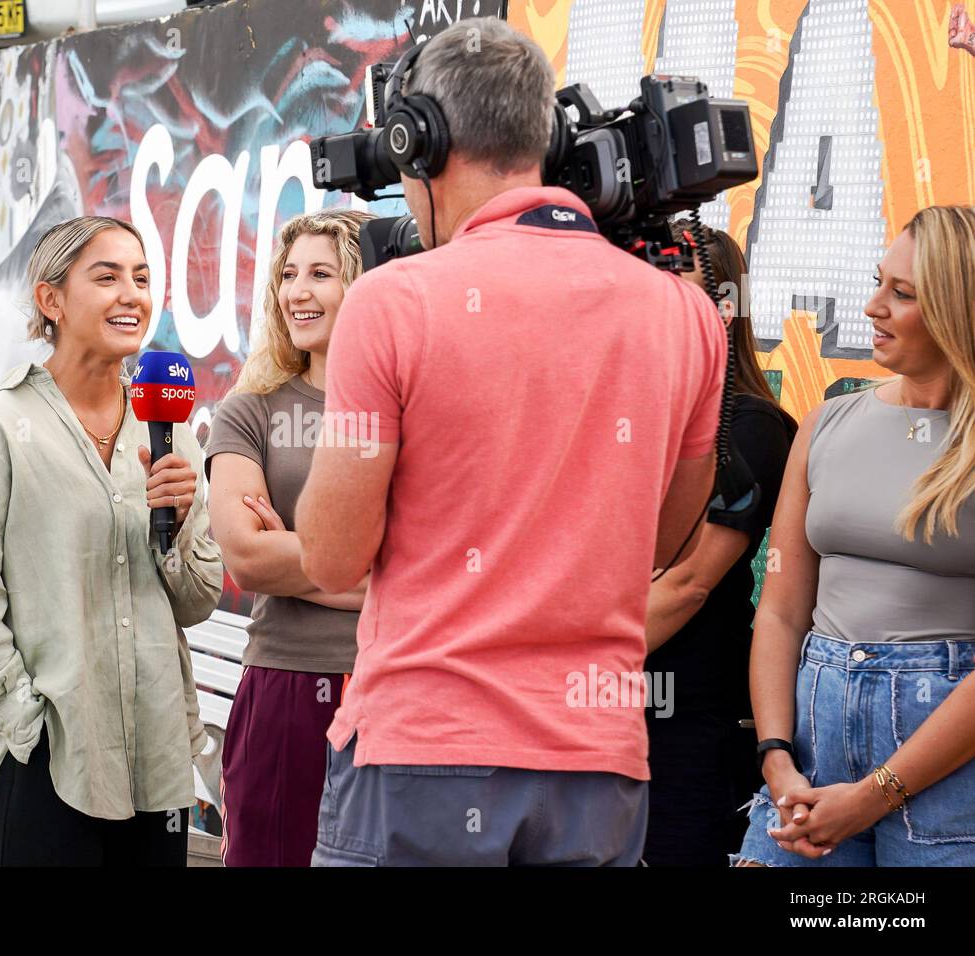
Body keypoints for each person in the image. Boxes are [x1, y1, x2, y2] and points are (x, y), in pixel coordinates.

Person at [295, 18, 729, 866]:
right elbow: (665, 539)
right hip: (596, 765)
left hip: (421, 752)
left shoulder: (392, 302)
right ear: (550, 135)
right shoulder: (684, 313)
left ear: (419, 140)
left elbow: (331, 554)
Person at [0, 216, 224, 866]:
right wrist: (30, 728)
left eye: (141, 277)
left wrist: (179, 521)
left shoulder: (168, 432)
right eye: (106, 277)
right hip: (41, 766)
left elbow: (196, 601)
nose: (131, 294)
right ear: (51, 300)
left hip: (154, 765)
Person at [735, 205, 975, 866]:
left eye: (902, 294)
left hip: (946, 768)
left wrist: (877, 793)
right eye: (878, 283)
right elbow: (781, 613)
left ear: (956, 309)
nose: (872, 307)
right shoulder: (826, 424)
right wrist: (776, 758)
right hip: (807, 758)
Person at [205, 209, 373, 866]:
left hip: (396, 686)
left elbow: (435, 559)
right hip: (287, 691)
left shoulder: (410, 409)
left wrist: (298, 551)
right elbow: (247, 556)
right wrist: (376, 575)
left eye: (321, 274)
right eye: (289, 274)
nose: (296, 291)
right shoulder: (252, 410)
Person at [641, 222, 798, 866]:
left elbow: (688, 585)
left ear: (723, 307)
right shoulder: (621, 418)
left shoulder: (751, 426)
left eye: (673, 284)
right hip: (603, 714)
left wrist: (555, 666)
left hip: (694, 728)